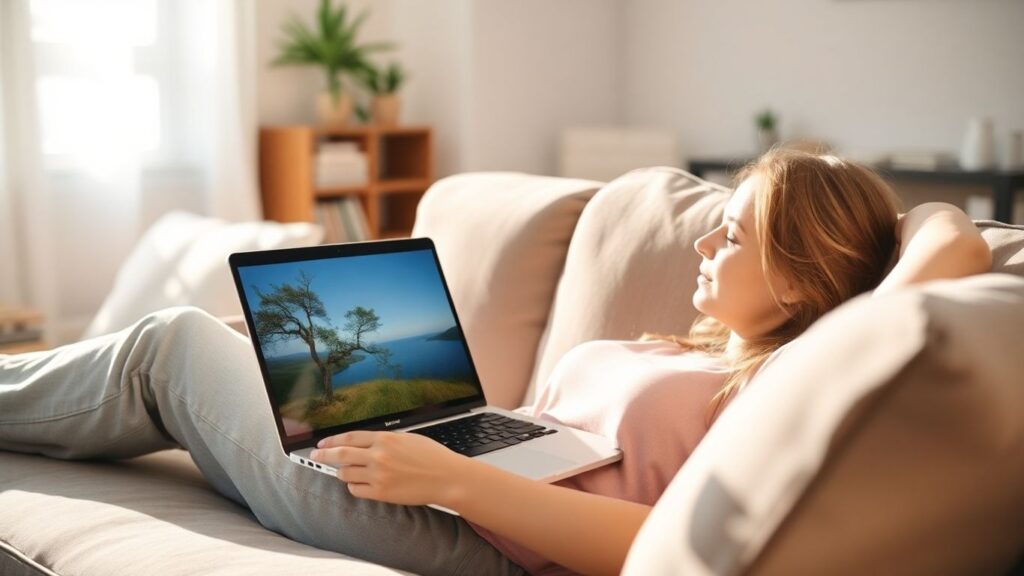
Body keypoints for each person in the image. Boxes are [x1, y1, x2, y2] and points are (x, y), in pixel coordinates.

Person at [0, 150, 992, 576]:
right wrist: (438, 424)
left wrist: (451, 477)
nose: (700, 247)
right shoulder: (694, 348)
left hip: (483, 541)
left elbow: (655, 553)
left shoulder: (796, 378)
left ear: (800, 279)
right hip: (458, 478)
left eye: (730, 238)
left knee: (168, 345)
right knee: (218, 338)